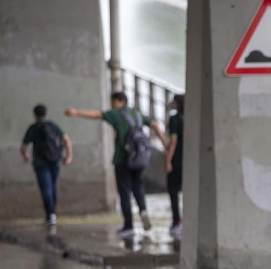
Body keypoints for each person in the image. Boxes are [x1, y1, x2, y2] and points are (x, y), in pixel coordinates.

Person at [65, 92, 168, 238]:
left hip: (123, 159)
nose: (112, 104)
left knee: (124, 191)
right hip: (139, 158)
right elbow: (156, 125)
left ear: (120, 101)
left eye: (113, 102)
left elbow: (97, 115)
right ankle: (143, 210)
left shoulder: (116, 114)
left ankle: (128, 226)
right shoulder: (137, 114)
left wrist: (76, 112)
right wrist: (165, 145)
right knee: (138, 185)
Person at [21, 104, 72, 228]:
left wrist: (26, 156)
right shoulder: (53, 126)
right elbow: (66, 139)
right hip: (55, 161)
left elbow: (23, 147)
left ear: (34, 115)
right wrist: (68, 156)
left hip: (41, 163)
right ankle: (52, 214)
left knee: (46, 188)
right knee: (53, 187)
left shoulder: (33, 128)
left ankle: (51, 215)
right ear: (46, 113)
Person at [166, 94, 184, 239]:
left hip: (176, 161)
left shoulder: (174, 119)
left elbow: (174, 140)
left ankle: (177, 221)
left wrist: (168, 160)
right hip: (188, 163)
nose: (171, 103)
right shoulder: (189, 118)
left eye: (173, 101)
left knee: (173, 192)